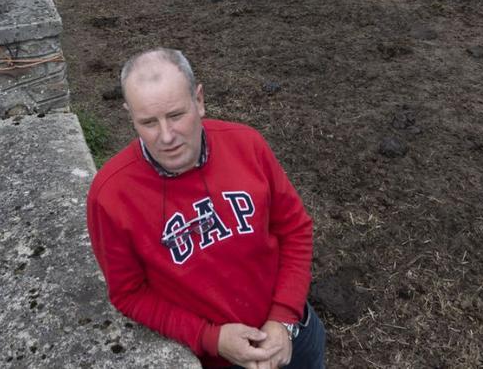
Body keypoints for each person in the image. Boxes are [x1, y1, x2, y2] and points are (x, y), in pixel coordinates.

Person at [87, 49, 326, 369]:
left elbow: (295, 229)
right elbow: (129, 293)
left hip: (293, 337)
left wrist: (283, 319)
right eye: (148, 122)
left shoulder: (248, 145)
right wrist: (211, 338)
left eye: (175, 115)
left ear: (198, 100)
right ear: (129, 115)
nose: (167, 137)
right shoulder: (110, 195)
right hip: (214, 361)